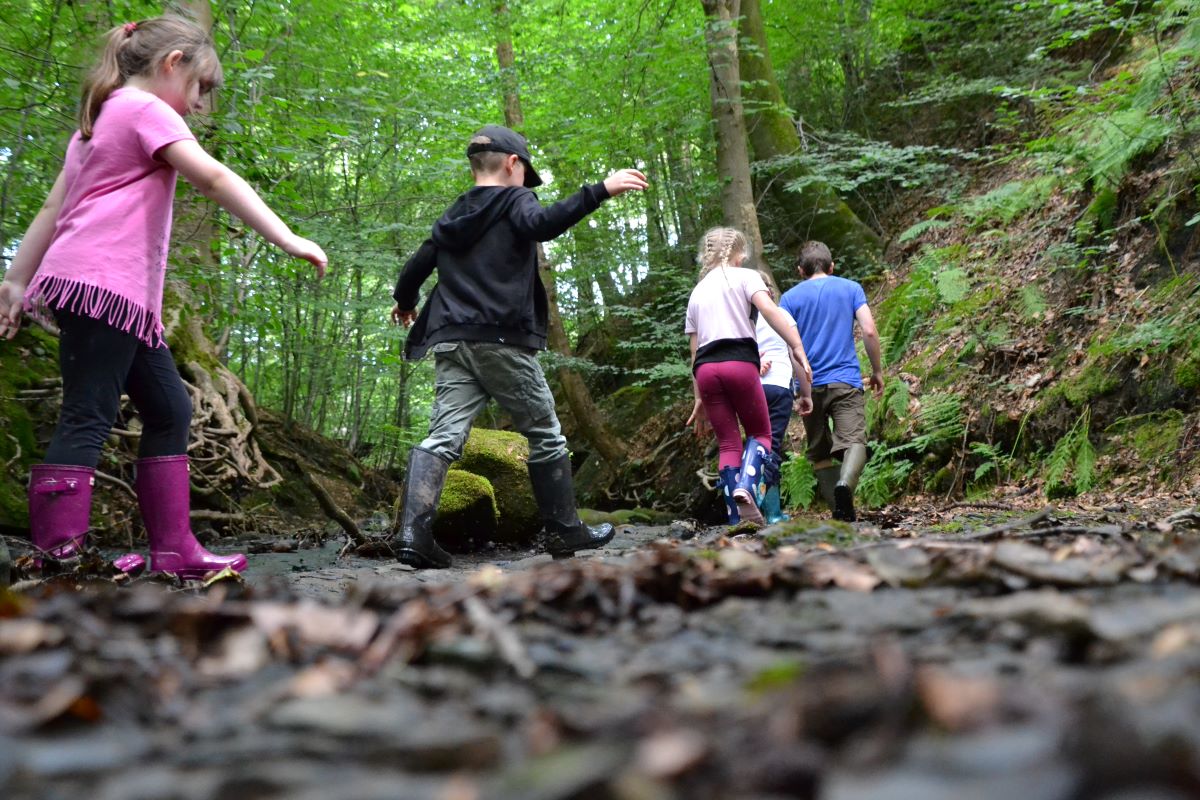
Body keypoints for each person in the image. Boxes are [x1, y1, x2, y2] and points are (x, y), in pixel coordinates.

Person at [0, 17, 327, 577]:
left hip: (115, 297)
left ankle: (174, 549)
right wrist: (286, 237)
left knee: (170, 407)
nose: (199, 104)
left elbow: (55, 209)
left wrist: (15, 279)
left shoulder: (98, 120)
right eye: (200, 87)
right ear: (172, 63)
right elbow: (214, 179)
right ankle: (57, 557)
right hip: (102, 285)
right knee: (87, 413)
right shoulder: (144, 109)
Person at [390, 124, 647, 569]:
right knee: (544, 433)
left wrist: (405, 301)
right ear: (513, 164)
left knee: (444, 436)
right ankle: (564, 529)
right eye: (525, 171)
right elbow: (542, 225)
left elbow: (419, 263)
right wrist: (600, 190)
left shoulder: (453, 214)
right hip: (500, 338)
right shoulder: (516, 200)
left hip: (452, 339)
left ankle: (414, 535)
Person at [684, 227, 812, 527]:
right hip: (739, 363)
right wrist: (796, 346)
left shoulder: (697, 292)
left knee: (729, 444)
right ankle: (747, 486)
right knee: (761, 434)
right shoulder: (747, 276)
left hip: (706, 370)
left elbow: (694, 352)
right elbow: (770, 310)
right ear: (740, 254)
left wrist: (698, 398)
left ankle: (736, 518)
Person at [778, 241, 882, 523]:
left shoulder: (788, 299)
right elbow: (869, 331)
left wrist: (801, 388)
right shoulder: (851, 289)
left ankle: (839, 512)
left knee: (819, 451)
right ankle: (844, 487)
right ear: (832, 266)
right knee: (854, 440)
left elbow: (790, 348)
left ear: (800, 271)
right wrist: (877, 371)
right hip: (845, 380)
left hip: (810, 384)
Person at [754, 270, 801, 524]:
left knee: (756, 445)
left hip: (752, 389)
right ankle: (770, 511)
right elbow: (796, 353)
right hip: (780, 386)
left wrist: (756, 363)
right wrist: (805, 392)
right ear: (770, 292)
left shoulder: (744, 320)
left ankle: (759, 509)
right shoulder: (782, 315)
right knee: (772, 447)